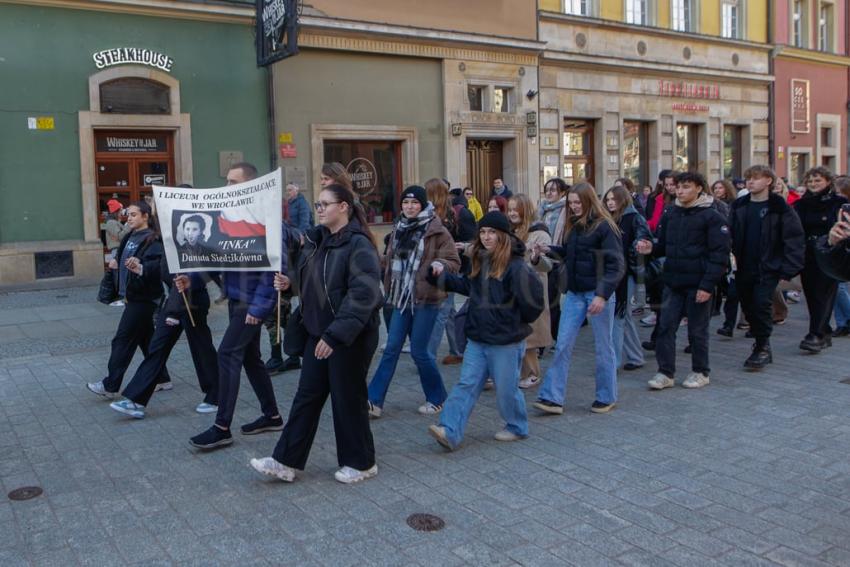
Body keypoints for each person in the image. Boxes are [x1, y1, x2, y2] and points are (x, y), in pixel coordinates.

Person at [249, 183, 383, 484]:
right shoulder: (317, 240)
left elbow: (363, 296)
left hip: (348, 336)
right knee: (306, 396)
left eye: (325, 204)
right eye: (318, 204)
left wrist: (335, 336)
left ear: (344, 207)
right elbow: (312, 279)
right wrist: (290, 283)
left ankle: (362, 463)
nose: (319, 208)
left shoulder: (358, 244)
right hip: (317, 332)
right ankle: (285, 461)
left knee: (348, 398)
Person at [426, 211, 543, 451]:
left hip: (506, 340)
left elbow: (533, 303)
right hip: (478, 338)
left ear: (503, 235)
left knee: (506, 390)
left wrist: (512, 321)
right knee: (466, 384)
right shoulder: (481, 259)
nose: (487, 237)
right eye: (483, 232)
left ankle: (517, 426)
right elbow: (469, 286)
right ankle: (449, 430)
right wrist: (441, 278)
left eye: (492, 232)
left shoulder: (516, 266)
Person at [189, 163, 283, 450]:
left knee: (228, 353)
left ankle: (222, 427)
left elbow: (274, 271)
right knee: (251, 358)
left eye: (233, 182)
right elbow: (217, 261)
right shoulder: (227, 218)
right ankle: (272, 415)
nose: (227, 187)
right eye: (226, 182)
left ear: (248, 186)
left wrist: (258, 308)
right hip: (237, 299)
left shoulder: (265, 221)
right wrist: (191, 280)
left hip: (251, 303)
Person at [367, 186, 460, 418]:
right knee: (391, 348)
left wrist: (440, 265)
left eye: (414, 203)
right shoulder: (399, 227)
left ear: (423, 204)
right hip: (400, 298)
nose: (409, 207)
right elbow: (391, 260)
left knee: (420, 351)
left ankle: (437, 398)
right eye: (406, 203)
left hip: (426, 298)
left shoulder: (437, 229)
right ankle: (373, 401)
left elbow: (453, 260)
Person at [532, 183, 624, 415]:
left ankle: (606, 396)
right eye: (570, 203)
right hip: (575, 293)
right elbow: (571, 254)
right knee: (562, 344)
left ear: (589, 201)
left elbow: (615, 265)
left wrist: (602, 295)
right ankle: (552, 397)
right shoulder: (575, 225)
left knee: (604, 347)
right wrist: (548, 250)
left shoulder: (605, 227)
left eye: (577, 203)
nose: (573, 207)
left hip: (597, 293)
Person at [641, 171, 730, 390]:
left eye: (686, 187)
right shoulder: (671, 212)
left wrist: (707, 286)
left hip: (698, 282)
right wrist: (649, 248)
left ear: (699, 188)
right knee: (665, 327)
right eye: (678, 187)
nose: (680, 191)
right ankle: (665, 372)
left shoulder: (712, 216)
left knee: (697, 331)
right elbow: (663, 245)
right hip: (672, 281)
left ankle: (701, 371)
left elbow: (719, 255)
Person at [108, 260, 220, 418]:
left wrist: (192, 280)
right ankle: (136, 400)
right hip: (174, 301)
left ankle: (216, 394)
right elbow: (163, 265)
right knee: (157, 348)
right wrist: (142, 268)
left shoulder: (202, 240)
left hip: (193, 301)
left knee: (201, 347)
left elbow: (214, 267)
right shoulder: (169, 239)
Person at [87, 201, 171, 398]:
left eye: (134, 215)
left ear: (145, 217)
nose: (130, 218)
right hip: (131, 295)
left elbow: (157, 267)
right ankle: (162, 378)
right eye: (129, 215)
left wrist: (140, 266)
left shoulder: (153, 239)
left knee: (122, 341)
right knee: (146, 339)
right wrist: (117, 264)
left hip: (144, 297)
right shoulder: (130, 236)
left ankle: (110, 385)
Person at [727, 165, 804, 369]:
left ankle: (762, 347)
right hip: (744, 265)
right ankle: (760, 341)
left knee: (762, 304)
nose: (750, 182)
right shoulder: (739, 205)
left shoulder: (780, 208)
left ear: (768, 181)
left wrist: (787, 269)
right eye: (748, 178)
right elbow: (729, 233)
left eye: (755, 178)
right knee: (748, 305)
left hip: (769, 267)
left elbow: (794, 239)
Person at [793, 166, 847, 352]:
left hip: (830, 252)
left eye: (818, 180)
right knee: (811, 294)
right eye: (810, 181)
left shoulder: (838, 202)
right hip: (807, 253)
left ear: (828, 181)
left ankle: (815, 334)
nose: (814, 184)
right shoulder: (801, 204)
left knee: (825, 293)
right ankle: (824, 331)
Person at [603, 185, 652, 371]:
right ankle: (636, 356)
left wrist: (639, 244)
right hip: (612, 273)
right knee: (624, 317)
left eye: (614, 199)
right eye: (608, 200)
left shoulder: (633, 217)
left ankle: (613, 362)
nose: (610, 203)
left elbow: (644, 238)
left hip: (628, 274)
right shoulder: (608, 219)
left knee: (619, 316)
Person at [507, 194, 552, 388]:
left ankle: (533, 373)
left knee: (529, 334)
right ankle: (518, 372)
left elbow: (549, 264)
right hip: (512, 288)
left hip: (531, 290)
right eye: (509, 209)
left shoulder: (539, 233)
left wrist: (535, 258)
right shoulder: (512, 231)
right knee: (517, 332)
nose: (512, 213)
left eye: (516, 209)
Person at [425, 178, 464, 366]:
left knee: (441, 312)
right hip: (441, 267)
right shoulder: (445, 213)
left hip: (444, 268)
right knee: (449, 312)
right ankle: (457, 350)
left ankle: (428, 355)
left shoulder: (442, 216)